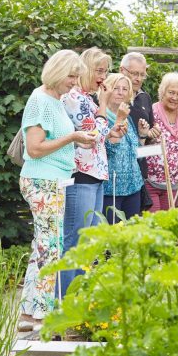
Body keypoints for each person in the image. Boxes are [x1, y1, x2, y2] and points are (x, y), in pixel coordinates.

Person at [17, 50, 96, 332]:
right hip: (43, 181)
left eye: (77, 76)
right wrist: (73, 137)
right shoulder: (40, 100)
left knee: (42, 247)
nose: (75, 83)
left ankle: (29, 314)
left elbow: (53, 142)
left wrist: (77, 141)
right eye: (71, 76)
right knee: (50, 247)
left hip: (54, 180)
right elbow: (34, 148)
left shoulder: (55, 100)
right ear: (57, 71)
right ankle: (41, 316)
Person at [61, 48, 112, 255]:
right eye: (99, 71)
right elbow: (93, 135)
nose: (103, 77)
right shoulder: (74, 98)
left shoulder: (88, 98)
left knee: (87, 241)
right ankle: (66, 288)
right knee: (75, 239)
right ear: (86, 70)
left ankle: (80, 286)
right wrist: (104, 104)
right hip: (81, 175)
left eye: (105, 72)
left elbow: (101, 134)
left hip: (95, 175)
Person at [100, 72, 145, 223]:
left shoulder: (129, 118)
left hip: (133, 186)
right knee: (111, 237)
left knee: (131, 236)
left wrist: (143, 136)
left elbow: (134, 151)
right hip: (111, 188)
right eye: (116, 88)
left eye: (125, 89)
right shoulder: (101, 116)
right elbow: (105, 149)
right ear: (106, 91)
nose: (120, 92)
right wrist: (119, 119)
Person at [120, 52, 161, 211]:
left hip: (138, 169)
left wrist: (152, 133)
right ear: (122, 70)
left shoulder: (145, 98)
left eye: (142, 75)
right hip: (117, 170)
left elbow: (149, 131)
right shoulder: (113, 95)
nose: (138, 78)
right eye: (134, 73)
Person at [146, 72, 178, 210]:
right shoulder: (151, 113)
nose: (174, 98)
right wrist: (157, 151)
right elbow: (138, 148)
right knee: (153, 225)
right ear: (162, 92)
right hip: (149, 182)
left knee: (167, 225)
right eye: (171, 92)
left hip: (172, 185)